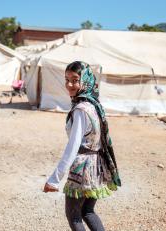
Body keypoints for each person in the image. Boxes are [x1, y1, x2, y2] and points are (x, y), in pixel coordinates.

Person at [43, 61, 121, 231]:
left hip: (83, 168)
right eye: (67, 79)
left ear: (85, 80)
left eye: (75, 79)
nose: (69, 84)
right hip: (96, 166)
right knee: (88, 211)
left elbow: (72, 147)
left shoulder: (80, 109)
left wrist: (54, 179)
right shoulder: (93, 105)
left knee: (74, 215)